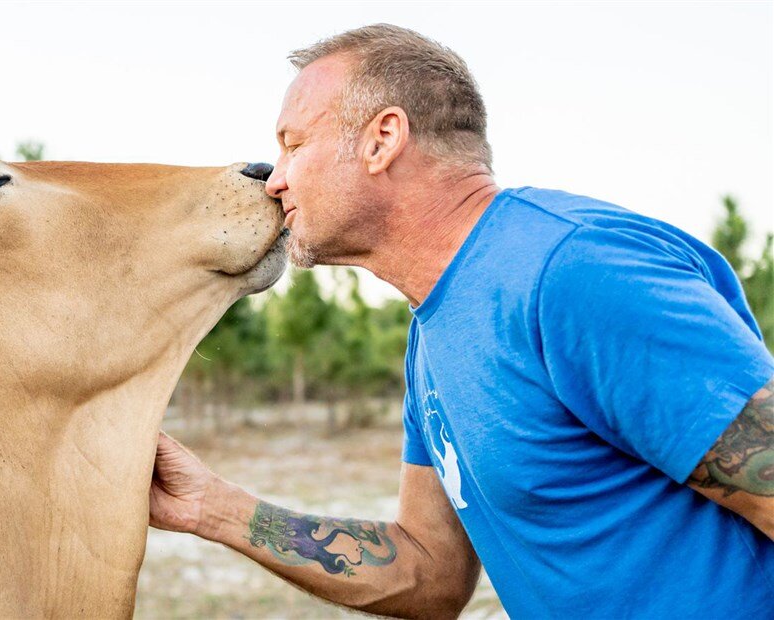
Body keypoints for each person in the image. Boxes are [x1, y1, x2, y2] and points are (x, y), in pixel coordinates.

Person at [149, 24, 773, 618]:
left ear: (381, 140)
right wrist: (214, 508)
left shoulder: (571, 273)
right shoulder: (432, 329)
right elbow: (428, 572)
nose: (274, 181)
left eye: (293, 144)